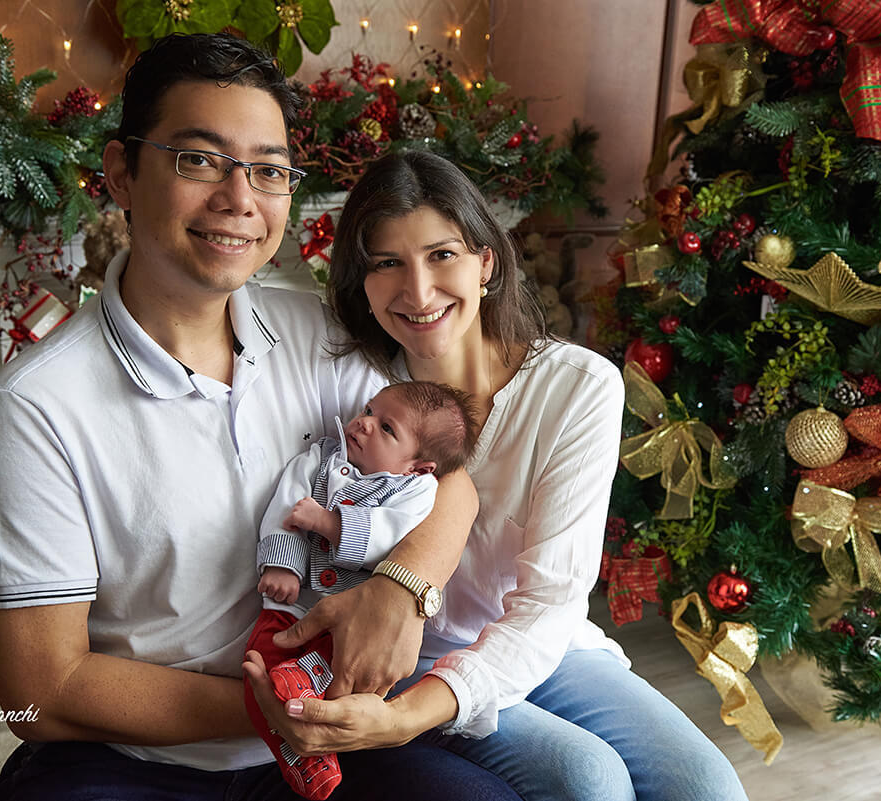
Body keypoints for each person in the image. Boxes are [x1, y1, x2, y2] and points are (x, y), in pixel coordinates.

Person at [0, 33, 523, 801]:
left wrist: (402, 586)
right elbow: (41, 690)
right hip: (139, 759)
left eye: (267, 170)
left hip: (325, 720)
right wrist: (273, 709)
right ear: (122, 173)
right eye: (198, 159)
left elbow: (447, 479)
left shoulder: (319, 336)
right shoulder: (29, 409)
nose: (239, 199)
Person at [245, 151, 749, 801]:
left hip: (545, 642)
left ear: (486, 262)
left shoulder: (575, 387)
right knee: (589, 782)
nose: (418, 292)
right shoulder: (359, 392)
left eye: (442, 255)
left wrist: (406, 720)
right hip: (406, 655)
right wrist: (401, 701)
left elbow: (548, 604)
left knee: (707, 785)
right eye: (387, 263)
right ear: (361, 282)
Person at [246, 380, 477, 799]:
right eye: (370, 410)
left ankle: (310, 704)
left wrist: (331, 525)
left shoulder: (413, 492)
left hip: (350, 620)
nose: (365, 423)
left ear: (418, 466)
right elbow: (285, 508)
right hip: (295, 604)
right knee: (262, 660)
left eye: (387, 429)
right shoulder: (319, 459)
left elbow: (390, 539)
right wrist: (283, 564)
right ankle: (296, 750)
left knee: (346, 667)